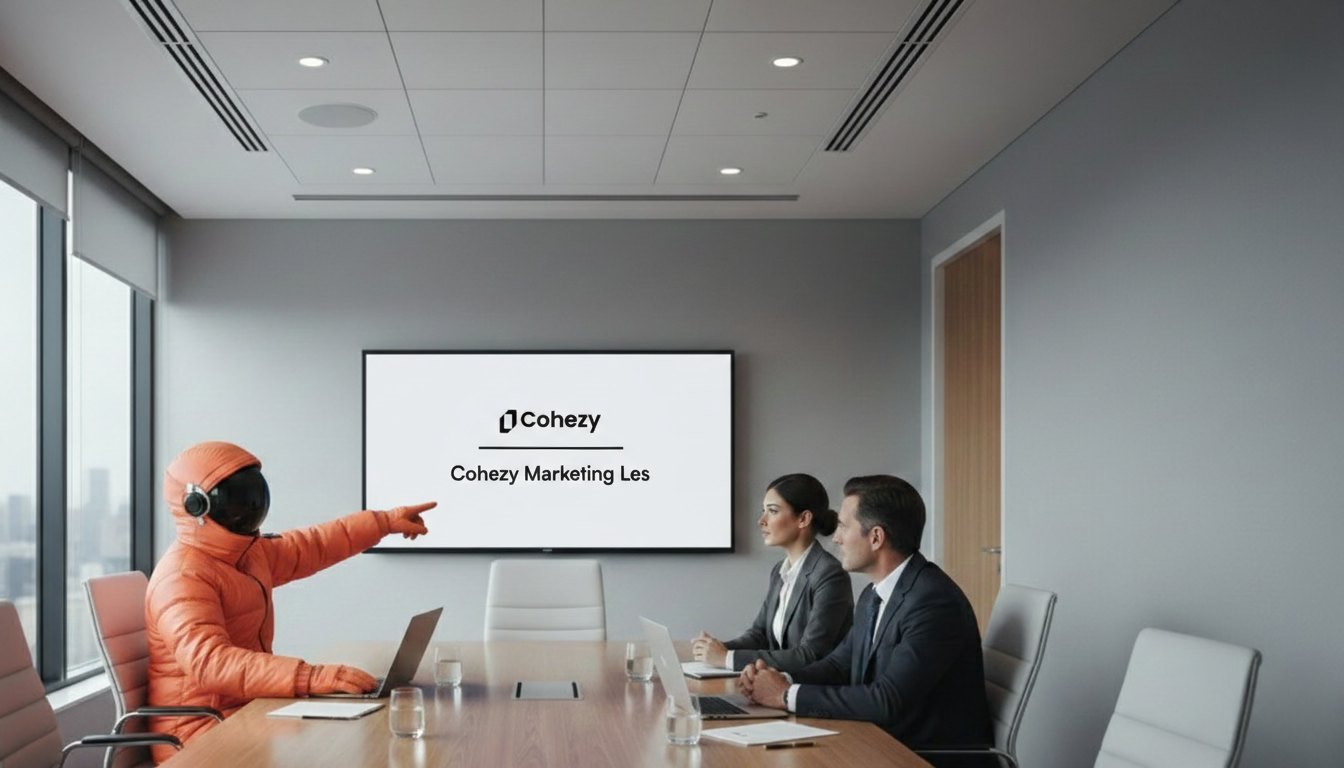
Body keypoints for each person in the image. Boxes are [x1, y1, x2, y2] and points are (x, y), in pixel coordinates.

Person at [144, 441, 436, 763]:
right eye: (234, 500)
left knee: (349, 733)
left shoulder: (248, 554)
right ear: (195, 507)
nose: (247, 508)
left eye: (252, 496)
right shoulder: (182, 576)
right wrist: (309, 677)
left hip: (243, 709)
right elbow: (210, 662)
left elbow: (314, 544)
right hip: (195, 733)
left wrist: (384, 522)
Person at [738, 474, 992, 758]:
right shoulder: (874, 593)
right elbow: (839, 665)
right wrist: (777, 678)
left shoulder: (933, 602)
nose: (835, 537)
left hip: (922, 755)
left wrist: (784, 695)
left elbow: (886, 700)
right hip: (878, 741)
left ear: (876, 537)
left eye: (844, 526)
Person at [691, 473, 853, 672]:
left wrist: (726, 658)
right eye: (763, 511)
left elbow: (811, 655)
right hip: (776, 685)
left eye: (773, 511)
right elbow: (760, 635)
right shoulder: (780, 571)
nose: (762, 520)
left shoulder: (829, 574)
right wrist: (718, 650)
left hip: (812, 691)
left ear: (803, 518)